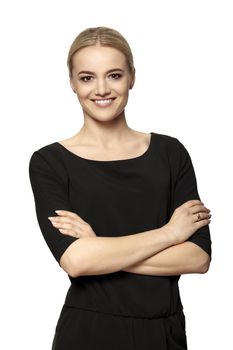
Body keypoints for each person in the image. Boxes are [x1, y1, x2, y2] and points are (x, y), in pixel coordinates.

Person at [29, 26, 212, 350]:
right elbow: (76, 261)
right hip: (90, 331)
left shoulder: (170, 154)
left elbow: (197, 258)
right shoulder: (49, 163)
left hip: (166, 331)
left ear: (132, 77)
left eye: (113, 75)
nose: (101, 89)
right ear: (72, 82)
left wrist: (99, 247)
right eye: (87, 77)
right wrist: (170, 234)